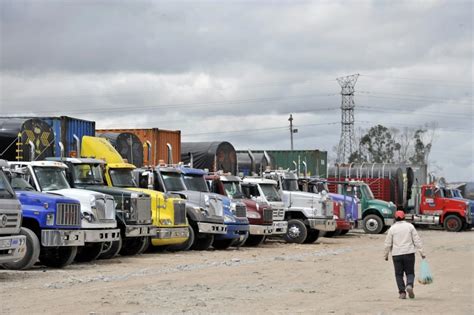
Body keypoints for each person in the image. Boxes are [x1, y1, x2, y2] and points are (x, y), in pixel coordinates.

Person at [384, 210, 426, 299]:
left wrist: (386, 255)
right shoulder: (410, 227)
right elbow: (417, 240)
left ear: (395, 218)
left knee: (398, 274)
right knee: (410, 272)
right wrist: (422, 252)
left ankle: (402, 292)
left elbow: (388, 243)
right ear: (404, 217)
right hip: (409, 253)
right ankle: (409, 285)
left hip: (396, 254)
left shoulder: (392, 228)